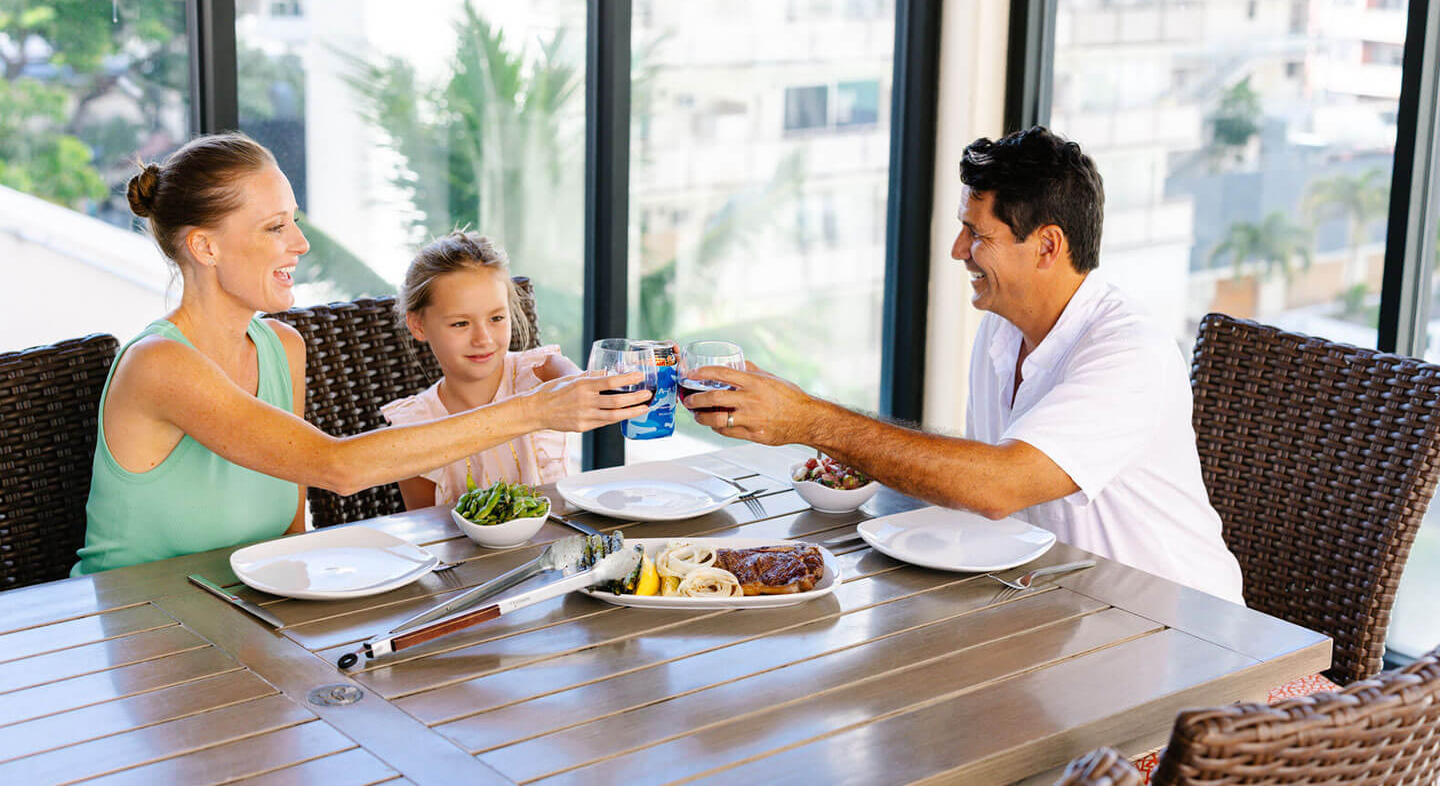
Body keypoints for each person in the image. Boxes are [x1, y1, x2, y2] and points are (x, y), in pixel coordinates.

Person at [683, 126, 1245, 604]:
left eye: (978, 233)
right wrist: (806, 418)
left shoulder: (1128, 353)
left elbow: (997, 488)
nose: (957, 250)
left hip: (1182, 643)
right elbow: (981, 484)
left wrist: (809, 421)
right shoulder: (1003, 328)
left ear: (1048, 246)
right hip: (1062, 611)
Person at [73, 133, 648, 576]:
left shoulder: (282, 348)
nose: (299, 243)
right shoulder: (159, 364)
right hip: (136, 629)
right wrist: (536, 410)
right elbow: (336, 467)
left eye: (293, 221)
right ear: (205, 246)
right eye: (276, 227)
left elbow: (293, 532)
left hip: (242, 612)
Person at [382, 231, 578, 509]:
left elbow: (578, 383)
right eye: (461, 323)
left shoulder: (540, 373)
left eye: (497, 318)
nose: (483, 338)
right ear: (418, 326)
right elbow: (424, 528)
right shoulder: (415, 423)